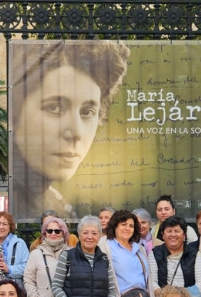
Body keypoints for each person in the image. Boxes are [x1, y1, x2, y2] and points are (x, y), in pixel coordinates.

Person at [10, 42, 129, 218]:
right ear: (15, 111)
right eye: (55, 108)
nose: (76, 133)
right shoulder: (6, 200)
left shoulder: (61, 207)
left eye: (87, 112)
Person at [149, 215, 201, 297]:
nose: (173, 234)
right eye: (169, 231)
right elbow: (152, 282)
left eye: (177, 231)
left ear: (184, 235)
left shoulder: (194, 254)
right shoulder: (155, 253)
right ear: (163, 235)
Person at [0, 211, 29, 286]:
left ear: (10, 227)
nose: (1, 227)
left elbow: (27, 268)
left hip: (15, 289)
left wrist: (9, 269)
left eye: (4, 224)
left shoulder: (20, 243)